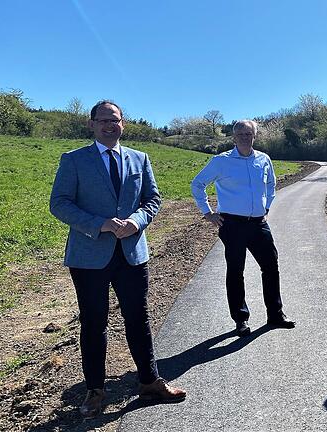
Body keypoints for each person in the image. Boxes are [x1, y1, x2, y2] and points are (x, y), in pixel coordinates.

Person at [50, 101, 186, 418]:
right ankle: (96, 391)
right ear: (92, 124)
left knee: (138, 319)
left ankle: (150, 381)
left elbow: (152, 199)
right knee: (94, 323)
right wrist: (99, 224)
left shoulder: (140, 158)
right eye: (103, 120)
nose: (110, 125)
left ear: (123, 124)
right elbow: (59, 203)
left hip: (131, 253)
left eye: (115, 120)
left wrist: (137, 221)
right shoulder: (74, 160)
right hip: (88, 256)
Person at [190, 119, 295, 337]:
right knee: (236, 271)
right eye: (241, 134)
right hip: (232, 225)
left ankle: (275, 314)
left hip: (258, 223)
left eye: (249, 134)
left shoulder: (263, 159)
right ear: (234, 137)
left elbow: (270, 184)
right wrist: (208, 213)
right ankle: (240, 319)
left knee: (271, 266)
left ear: (255, 136)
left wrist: (266, 206)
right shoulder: (222, 161)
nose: (245, 138)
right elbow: (197, 184)